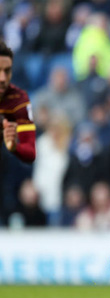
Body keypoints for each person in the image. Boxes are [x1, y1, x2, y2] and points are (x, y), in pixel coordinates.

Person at [0, 41, 36, 222]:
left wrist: (14, 147)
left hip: (9, 186)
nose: (2, 78)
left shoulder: (19, 102)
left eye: (6, 71)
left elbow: (29, 151)